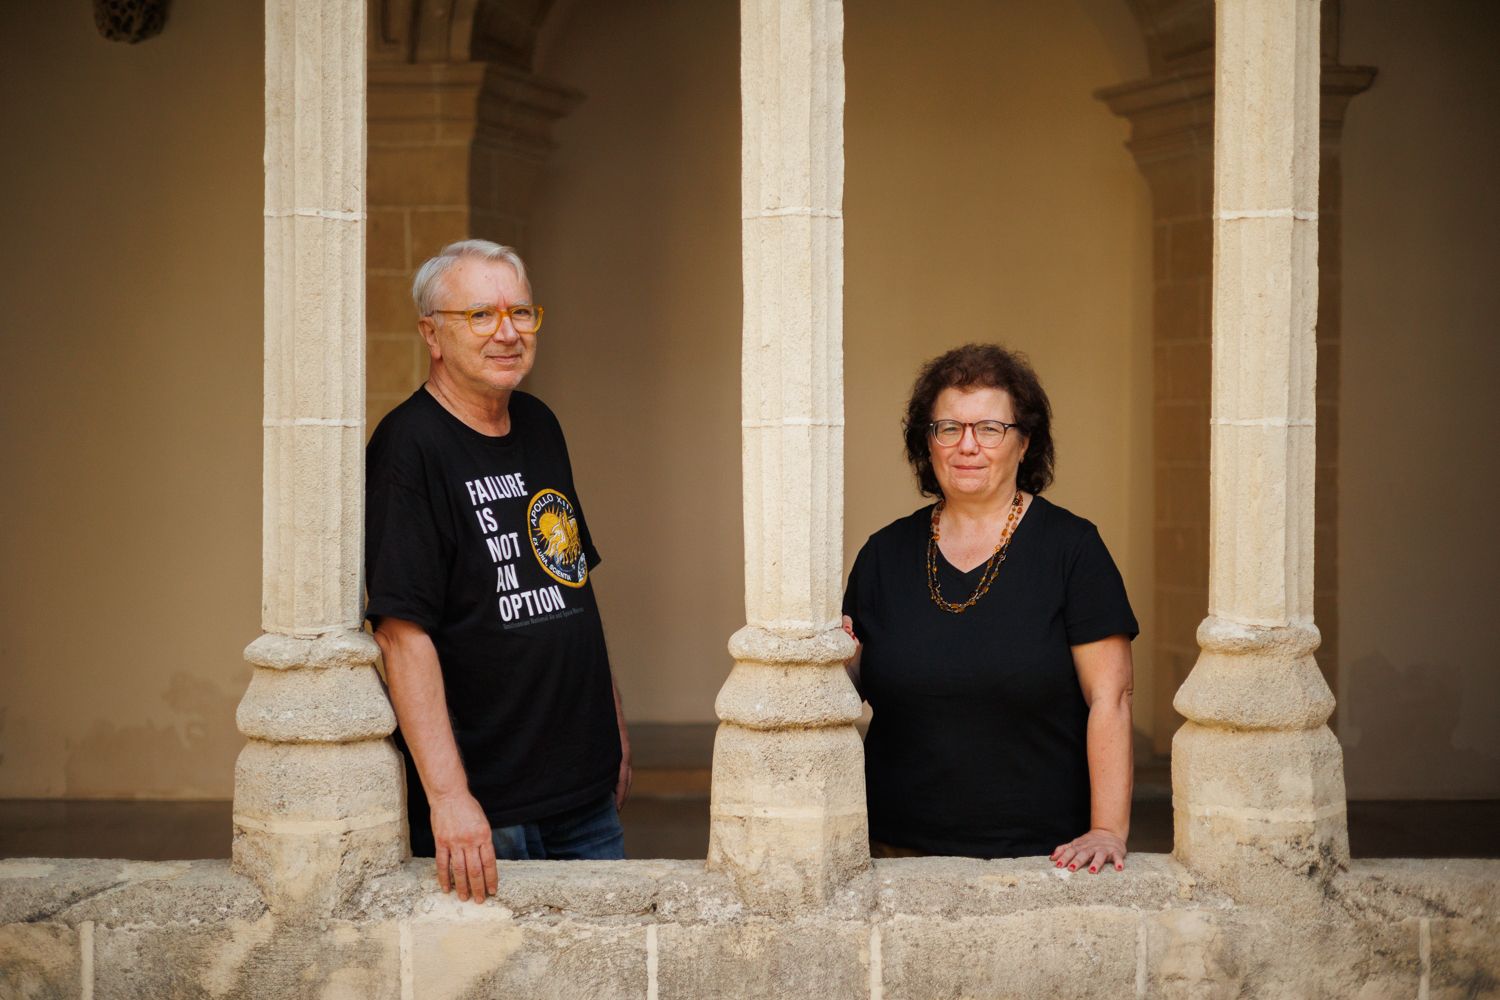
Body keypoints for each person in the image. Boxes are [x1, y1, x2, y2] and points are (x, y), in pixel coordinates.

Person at [365, 239, 631, 905]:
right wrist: (449, 799)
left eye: (521, 313)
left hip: (587, 792)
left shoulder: (539, 425)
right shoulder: (408, 448)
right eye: (481, 315)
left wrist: (614, 728)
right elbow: (402, 635)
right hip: (492, 810)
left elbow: (573, 583)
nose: (507, 332)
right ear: (432, 333)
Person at [841, 343, 1136, 872]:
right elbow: (852, 690)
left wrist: (1107, 828)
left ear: (1025, 442)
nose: (967, 446)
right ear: (926, 444)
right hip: (892, 850)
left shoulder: (1072, 549)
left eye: (990, 429)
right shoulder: (884, 554)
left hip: (1041, 853)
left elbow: (1110, 698)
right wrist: (836, 659)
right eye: (948, 428)